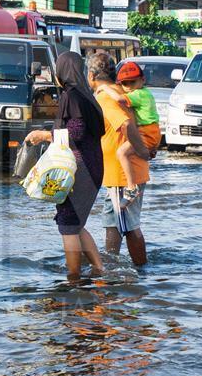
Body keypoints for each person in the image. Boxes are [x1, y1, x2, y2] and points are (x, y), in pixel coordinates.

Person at [25, 52, 105, 281]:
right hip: (94, 165)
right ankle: (99, 270)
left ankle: (73, 277)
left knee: (68, 223)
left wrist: (43, 135)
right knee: (76, 222)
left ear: (62, 72)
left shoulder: (72, 96)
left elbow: (76, 132)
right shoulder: (88, 97)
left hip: (79, 169)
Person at [87, 51, 151, 266]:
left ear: (91, 76)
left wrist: (141, 149)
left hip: (123, 176)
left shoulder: (106, 98)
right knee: (113, 223)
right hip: (119, 175)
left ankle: (141, 271)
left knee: (129, 226)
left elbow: (124, 124)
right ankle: (111, 265)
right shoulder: (118, 91)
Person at [104, 61, 160, 207]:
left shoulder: (139, 94)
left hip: (146, 131)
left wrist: (104, 88)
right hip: (153, 131)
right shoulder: (145, 92)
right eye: (124, 83)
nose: (128, 87)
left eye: (132, 82)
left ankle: (131, 187)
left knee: (122, 153)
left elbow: (119, 99)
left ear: (143, 80)